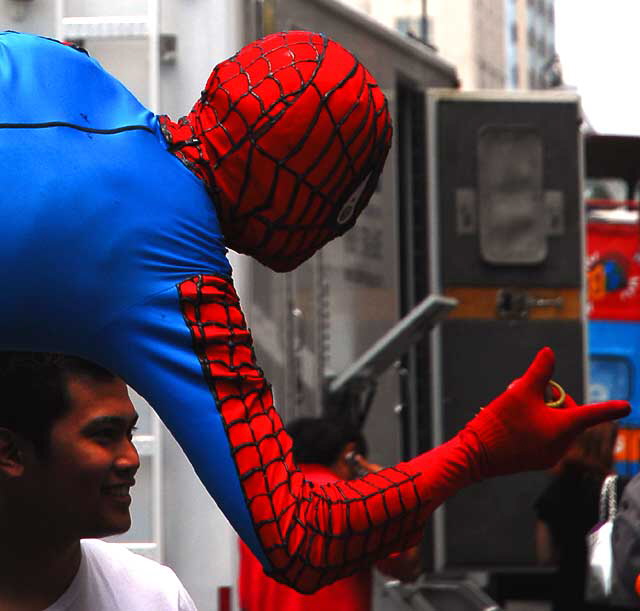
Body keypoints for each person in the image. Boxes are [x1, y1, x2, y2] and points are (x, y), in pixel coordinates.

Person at [0, 29, 630, 593]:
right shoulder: (185, 288)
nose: (334, 229)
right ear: (299, 187)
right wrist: (480, 450)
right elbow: (302, 538)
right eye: (341, 199)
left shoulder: (58, 64)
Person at [0, 352, 197, 611]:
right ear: (11, 453)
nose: (132, 459)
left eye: (130, 434)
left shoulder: (157, 598)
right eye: (104, 435)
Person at [238, 417, 420, 611]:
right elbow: (406, 567)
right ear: (350, 455)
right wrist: (397, 495)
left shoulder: (260, 507)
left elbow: (248, 595)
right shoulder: (354, 503)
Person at [534, 421, 627, 611]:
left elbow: (544, 554)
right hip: (612, 595)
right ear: (605, 447)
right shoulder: (621, 490)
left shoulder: (555, 490)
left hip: (568, 593)